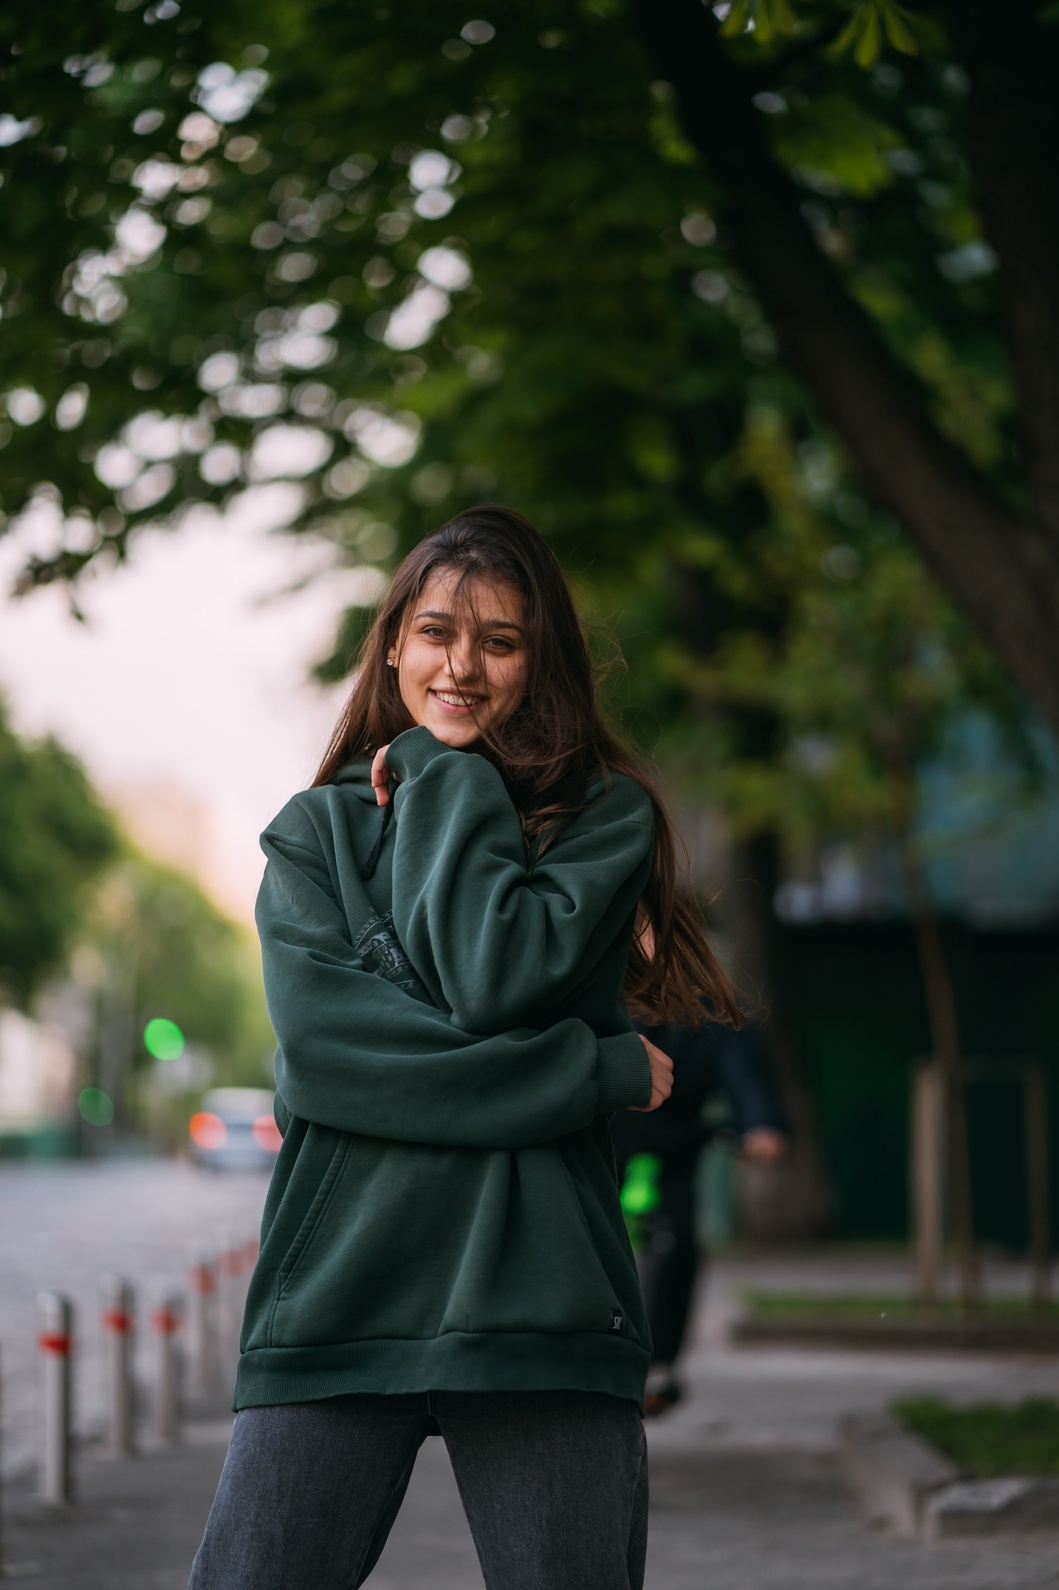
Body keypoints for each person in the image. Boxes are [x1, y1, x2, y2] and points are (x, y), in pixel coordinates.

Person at [187, 506, 741, 1590]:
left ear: (542, 664)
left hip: (542, 1297)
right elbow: (335, 1067)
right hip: (342, 1295)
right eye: (438, 632)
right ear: (393, 642)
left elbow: (496, 974)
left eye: (501, 641)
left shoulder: (605, 821)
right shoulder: (316, 834)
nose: (463, 665)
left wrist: (447, 777)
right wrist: (594, 1069)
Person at [610, 1000, 787, 1416]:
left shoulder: (708, 1010)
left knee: (678, 1241)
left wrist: (760, 1124)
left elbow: (743, 1069)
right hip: (605, 1144)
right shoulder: (600, 990)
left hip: (674, 1147)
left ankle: (661, 1366)